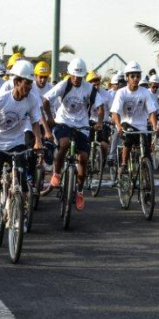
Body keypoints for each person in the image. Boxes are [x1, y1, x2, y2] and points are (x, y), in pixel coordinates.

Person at [0, 60, 43, 228]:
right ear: (17, 82)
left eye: (31, 83)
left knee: (21, 183)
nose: (29, 87)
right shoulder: (2, 99)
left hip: (16, 143)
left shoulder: (31, 100)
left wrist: (38, 141)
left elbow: (35, 122)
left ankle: (18, 215)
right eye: (27, 83)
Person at [43, 58, 104, 210]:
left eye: (80, 76)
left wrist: (100, 122)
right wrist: (50, 118)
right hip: (63, 122)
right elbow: (45, 100)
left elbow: (100, 107)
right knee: (64, 144)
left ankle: (80, 191)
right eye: (74, 75)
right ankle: (57, 174)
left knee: (83, 158)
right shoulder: (64, 85)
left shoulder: (89, 88)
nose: (76, 78)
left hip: (82, 125)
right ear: (70, 74)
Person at [110, 61, 159, 175]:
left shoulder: (145, 92)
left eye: (138, 76)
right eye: (132, 76)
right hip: (126, 125)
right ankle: (124, 164)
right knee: (128, 138)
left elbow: (151, 111)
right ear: (127, 77)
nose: (135, 79)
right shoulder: (121, 93)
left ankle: (146, 177)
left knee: (147, 153)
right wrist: (118, 126)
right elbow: (115, 112)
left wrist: (155, 126)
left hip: (142, 128)